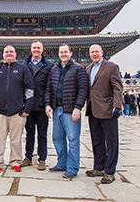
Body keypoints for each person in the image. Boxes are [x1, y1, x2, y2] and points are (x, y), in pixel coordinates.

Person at [0, 45, 35, 174]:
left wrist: (27, 108)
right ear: (3, 54)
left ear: (15, 54)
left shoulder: (22, 69)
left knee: (16, 139)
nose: (9, 54)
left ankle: (16, 161)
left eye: (11, 52)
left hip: (17, 112)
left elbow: (29, 89)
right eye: (6, 52)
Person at [44, 44, 89, 179]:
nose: (63, 54)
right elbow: (48, 88)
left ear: (70, 53)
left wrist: (78, 107)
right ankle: (61, 163)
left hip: (70, 110)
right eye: (61, 52)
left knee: (73, 139)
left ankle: (72, 167)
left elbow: (83, 89)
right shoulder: (54, 69)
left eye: (65, 52)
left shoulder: (78, 69)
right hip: (56, 109)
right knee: (57, 137)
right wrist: (47, 104)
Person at [84, 44, 124, 184]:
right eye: (92, 52)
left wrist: (117, 106)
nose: (94, 54)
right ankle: (99, 167)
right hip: (93, 109)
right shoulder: (88, 68)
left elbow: (117, 88)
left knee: (111, 141)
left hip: (107, 109)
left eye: (96, 51)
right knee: (97, 140)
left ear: (102, 52)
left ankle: (110, 171)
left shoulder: (111, 67)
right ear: (89, 54)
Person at [23, 40, 55, 171]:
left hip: (42, 106)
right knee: (29, 134)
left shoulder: (49, 65)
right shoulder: (24, 65)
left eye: (38, 48)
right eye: (34, 48)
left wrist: (49, 104)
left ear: (42, 50)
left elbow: (51, 86)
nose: (36, 50)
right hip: (28, 106)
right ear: (31, 50)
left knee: (42, 134)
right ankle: (28, 157)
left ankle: (42, 159)